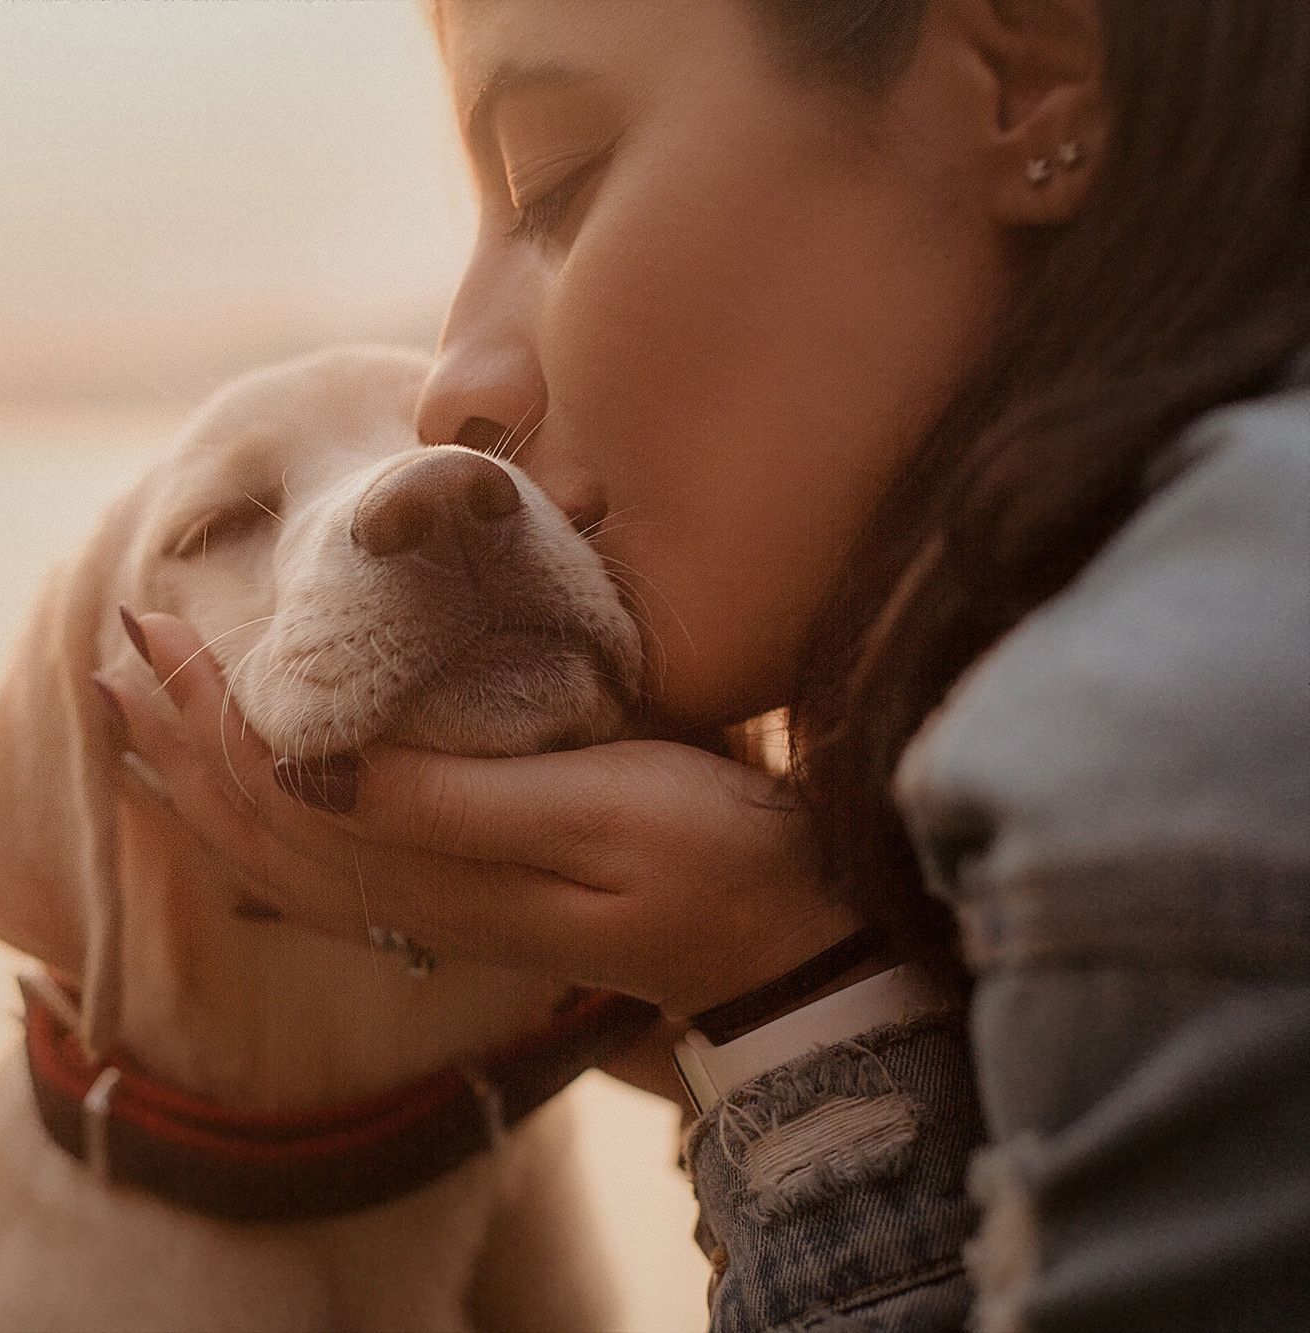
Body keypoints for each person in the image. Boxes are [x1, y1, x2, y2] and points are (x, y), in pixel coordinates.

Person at [93, 2, 1309, 1328]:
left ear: (1022, 76)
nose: (454, 389)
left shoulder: (1173, 754)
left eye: (555, 181)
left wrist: (790, 1000)